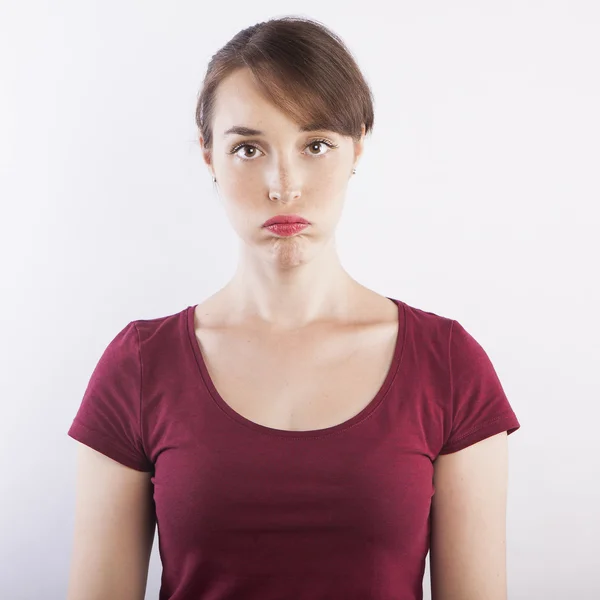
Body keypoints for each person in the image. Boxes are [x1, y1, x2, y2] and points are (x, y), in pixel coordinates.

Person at [66, 15, 521, 600]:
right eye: (249, 148)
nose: (284, 185)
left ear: (358, 146)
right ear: (208, 156)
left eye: (315, 145)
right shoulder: (137, 366)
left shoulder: (450, 364)